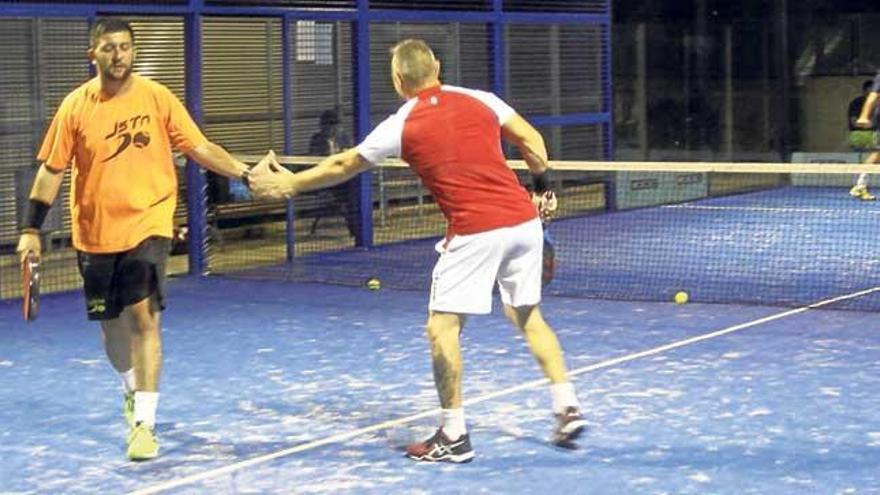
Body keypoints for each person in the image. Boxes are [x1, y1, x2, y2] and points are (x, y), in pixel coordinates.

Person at [249, 38, 587, 463]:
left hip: (475, 231)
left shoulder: (401, 123)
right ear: (437, 67)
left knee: (441, 329)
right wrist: (543, 187)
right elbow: (532, 141)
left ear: (397, 80)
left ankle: (453, 435)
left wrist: (289, 184)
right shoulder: (481, 99)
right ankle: (566, 406)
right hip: (523, 223)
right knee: (528, 316)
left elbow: (342, 165)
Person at [16, 18, 268, 461]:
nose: (119, 56)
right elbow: (51, 171)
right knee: (112, 329)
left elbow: (198, 147)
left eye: (126, 47)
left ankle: (144, 426)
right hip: (94, 235)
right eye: (110, 48)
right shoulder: (75, 107)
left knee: (143, 316)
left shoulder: (156, 97)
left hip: (149, 224)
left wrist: (245, 173)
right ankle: (131, 389)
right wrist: (31, 229)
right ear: (92, 54)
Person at [308, 109, 358, 237]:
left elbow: (351, 154)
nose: (335, 129)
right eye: (331, 126)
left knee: (353, 190)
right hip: (324, 178)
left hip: (342, 178)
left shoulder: (344, 138)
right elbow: (314, 160)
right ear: (324, 126)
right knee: (347, 194)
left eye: (336, 126)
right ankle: (355, 227)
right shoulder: (316, 140)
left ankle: (356, 229)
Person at [848, 78, 878, 200]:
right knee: (877, 154)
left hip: (873, 131)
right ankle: (860, 185)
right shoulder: (857, 102)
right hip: (860, 134)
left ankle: (860, 185)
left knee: (877, 155)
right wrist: (867, 120)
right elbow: (856, 123)